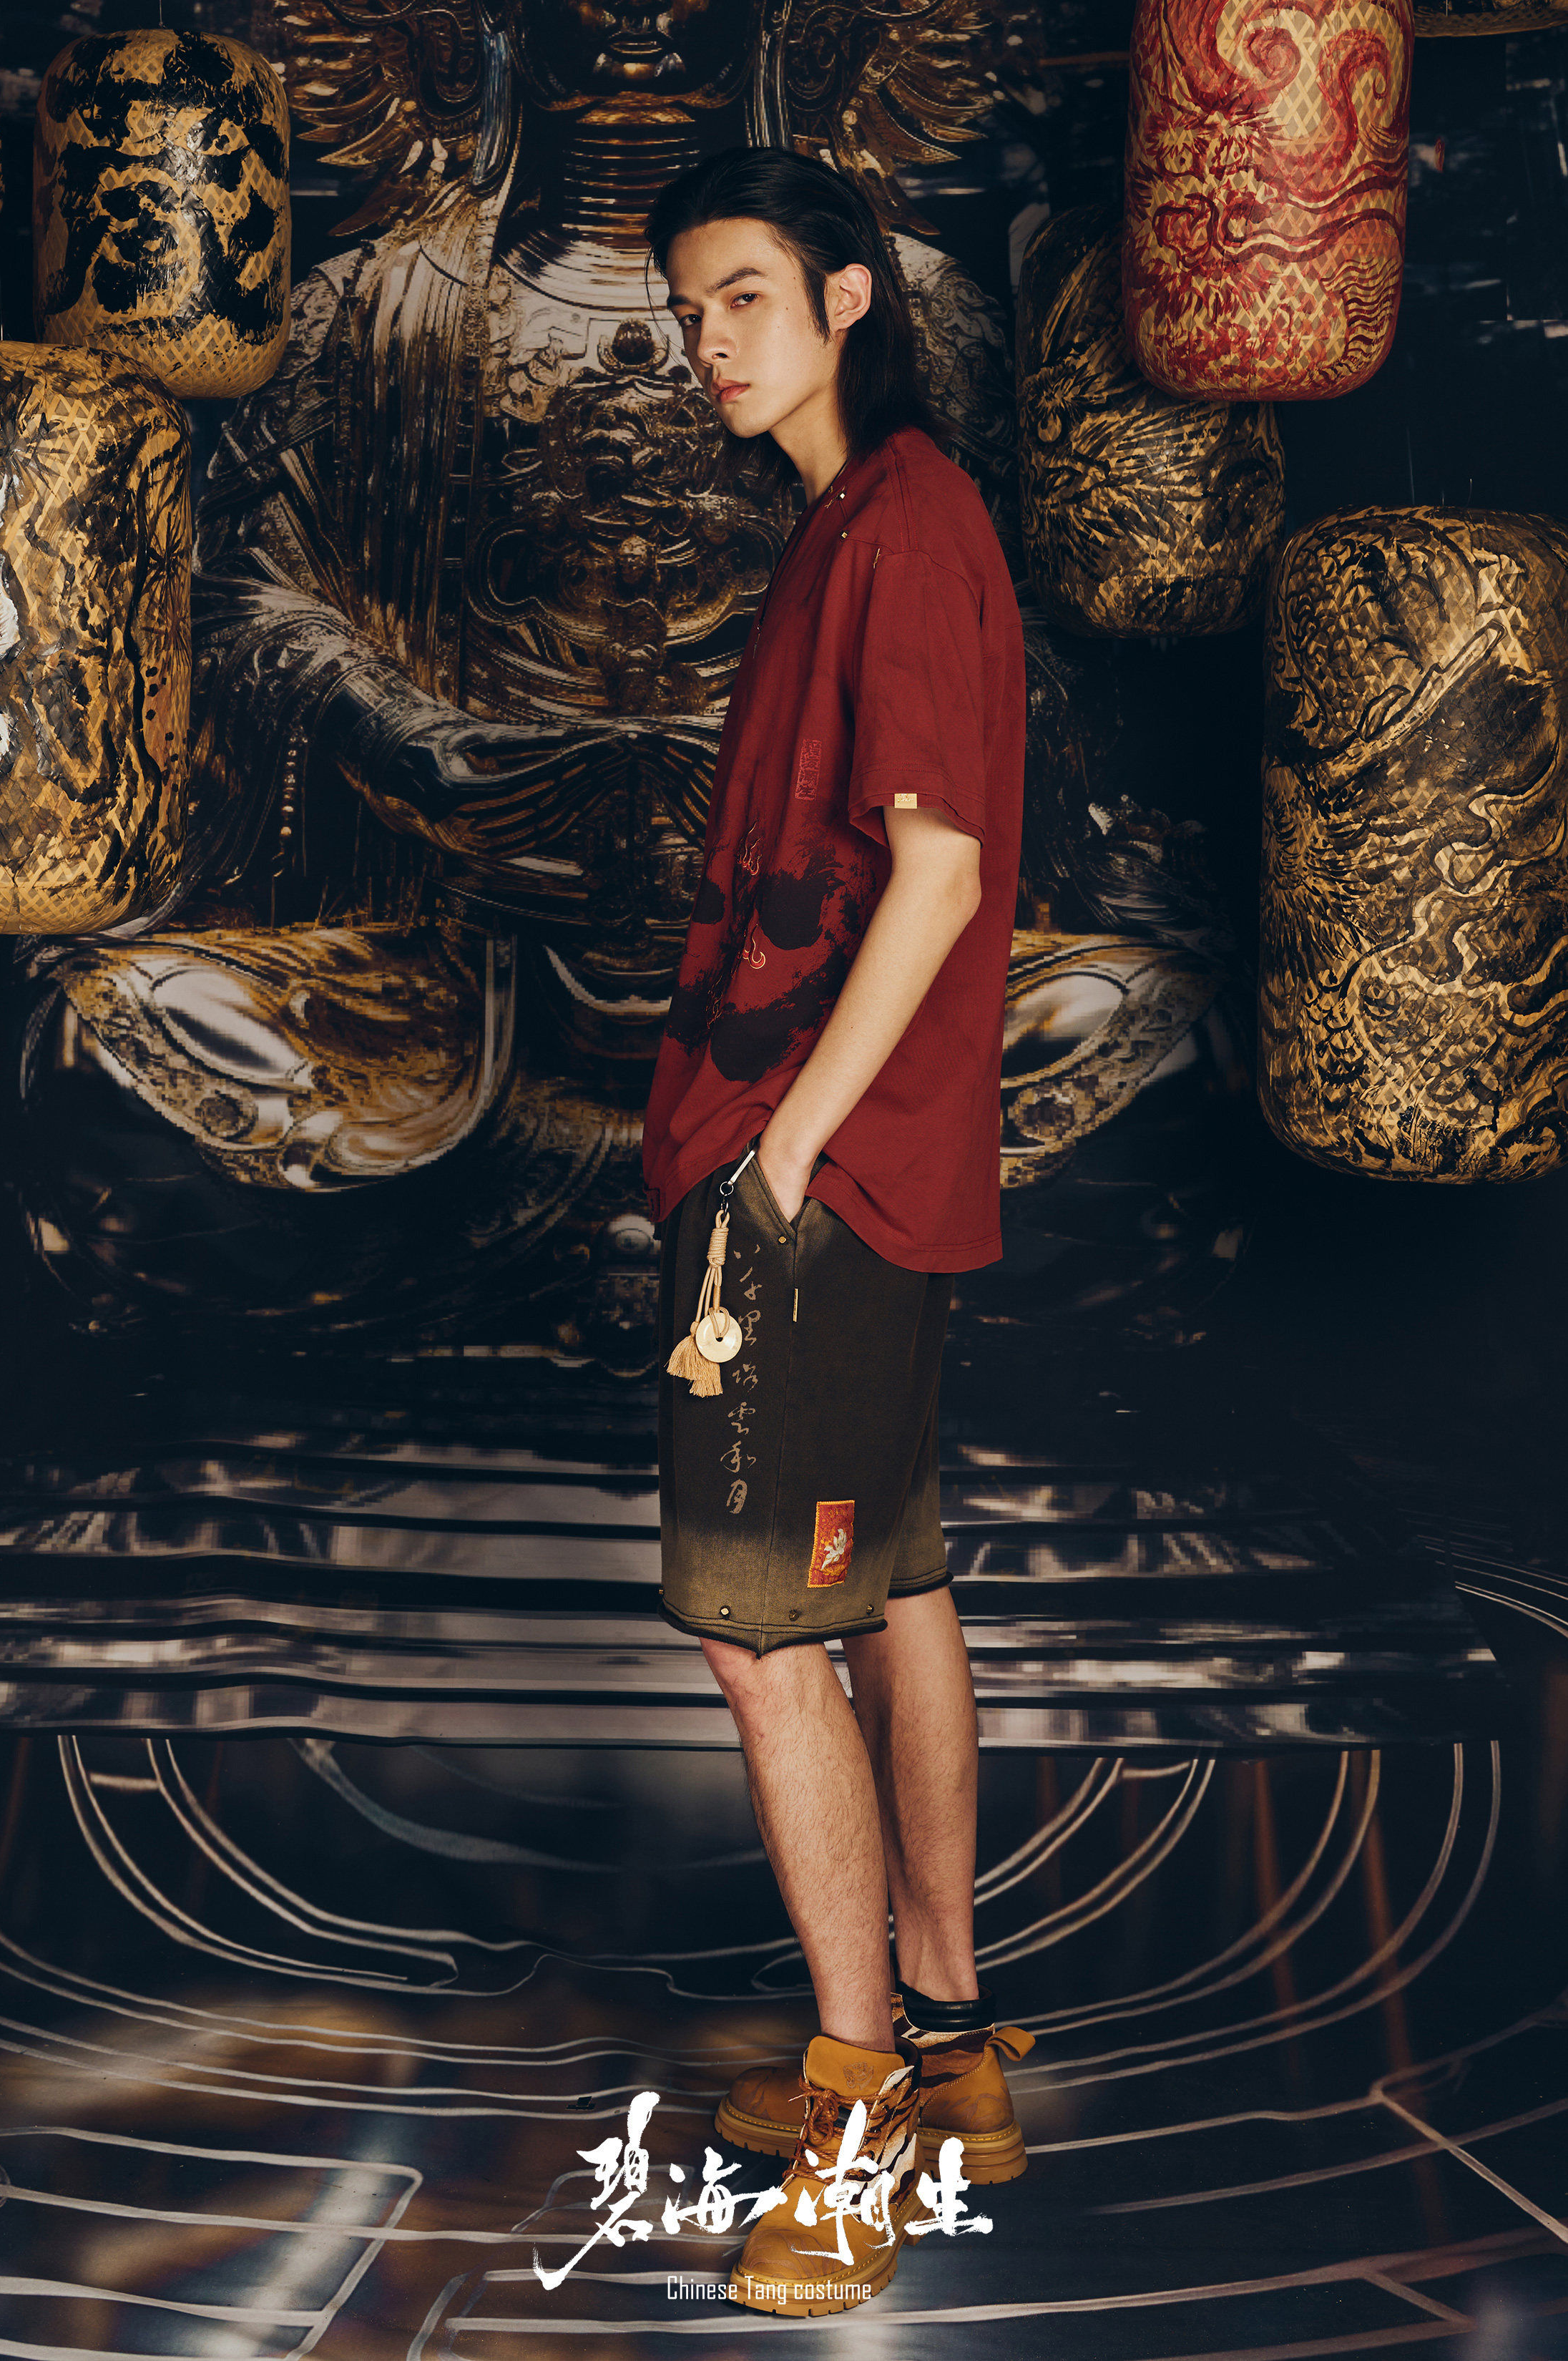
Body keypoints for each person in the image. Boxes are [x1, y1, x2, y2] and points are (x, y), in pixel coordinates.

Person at [640, 147, 1032, 2315]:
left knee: (761, 1632)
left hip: (822, 1169)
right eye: (686, 308)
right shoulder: (868, 524)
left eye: (742, 295)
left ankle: (863, 2118)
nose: (706, 339)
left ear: (850, 295)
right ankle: (951, 2046)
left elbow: (940, 872)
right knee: (891, 1579)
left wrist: (780, 1154)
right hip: (867, 1162)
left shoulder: (898, 527)